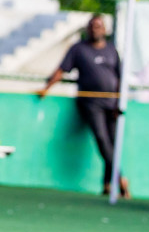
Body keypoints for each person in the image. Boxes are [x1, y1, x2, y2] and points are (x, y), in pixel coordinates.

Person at [39, 14, 125, 197]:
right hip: (90, 103)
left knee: (113, 142)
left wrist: (119, 101)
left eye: (99, 26)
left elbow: (119, 78)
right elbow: (62, 69)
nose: (95, 29)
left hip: (112, 103)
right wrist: (46, 88)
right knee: (102, 139)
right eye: (92, 26)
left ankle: (108, 183)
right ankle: (120, 178)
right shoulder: (78, 49)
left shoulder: (112, 50)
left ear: (105, 29)